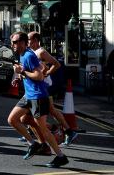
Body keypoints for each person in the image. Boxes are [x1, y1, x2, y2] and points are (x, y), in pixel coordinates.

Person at [7, 32, 68, 168]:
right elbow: (41, 68)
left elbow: (39, 76)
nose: (13, 45)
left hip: (38, 96)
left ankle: (60, 156)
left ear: (23, 42)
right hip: (28, 96)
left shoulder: (28, 55)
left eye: (16, 42)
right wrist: (20, 78)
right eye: (12, 42)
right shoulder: (23, 55)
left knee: (43, 130)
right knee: (13, 120)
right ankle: (33, 144)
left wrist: (22, 72)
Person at [24, 32, 78, 147]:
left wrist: (47, 73)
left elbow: (56, 64)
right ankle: (65, 131)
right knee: (46, 110)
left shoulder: (41, 52)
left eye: (29, 39)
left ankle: (67, 131)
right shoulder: (31, 52)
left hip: (43, 86)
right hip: (35, 86)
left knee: (48, 110)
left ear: (36, 40)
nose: (27, 41)